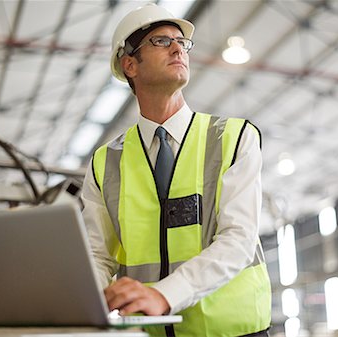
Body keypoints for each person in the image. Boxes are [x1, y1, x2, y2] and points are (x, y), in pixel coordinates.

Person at [81, 3, 272, 337]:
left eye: (182, 43)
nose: (177, 48)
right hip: (149, 332)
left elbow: (239, 238)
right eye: (160, 41)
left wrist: (163, 295)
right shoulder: (105, 162)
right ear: (130, 64)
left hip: (234, 333)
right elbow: (97, 255)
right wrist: (84, 309)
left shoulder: (234, 137)